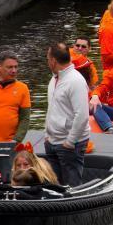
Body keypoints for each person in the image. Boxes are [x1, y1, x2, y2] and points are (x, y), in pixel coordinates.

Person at [44, 43, 90, 185]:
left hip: (69, 145)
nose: (47, 62)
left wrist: (70, 142)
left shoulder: (75, 81)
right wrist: (47, 134)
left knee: (72, 188)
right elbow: (52, 108)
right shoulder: (54, 78)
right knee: (54, 186)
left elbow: (82, 115)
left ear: (53, 61)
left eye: (47, 58)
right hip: (52, 141)